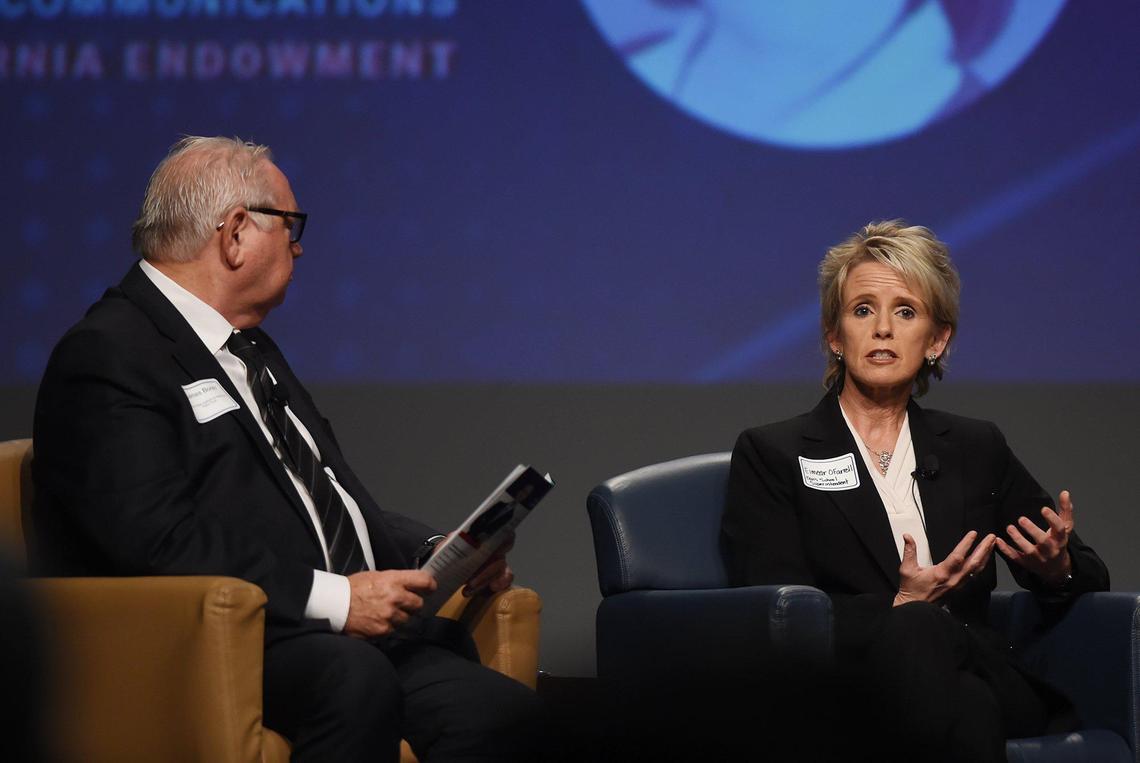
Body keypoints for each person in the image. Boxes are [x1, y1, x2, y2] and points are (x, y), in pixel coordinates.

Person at [29, 136, 543, 762]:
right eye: (290, 226)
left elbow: (326, 498)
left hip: (324, 635)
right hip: (223, 639)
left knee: (501, 715)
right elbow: (154, 541)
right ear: (236, 233)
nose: (298, 246)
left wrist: (439, 553)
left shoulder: (251, 348)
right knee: (355, 680)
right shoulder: (109, 354)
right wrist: (338, 600)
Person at [720, 220, 1108, 761]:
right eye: (861, 311)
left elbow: (1087, 570)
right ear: (835, 335)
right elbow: (776, 606)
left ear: (936, 339)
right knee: (964, 700)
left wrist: (1056, 566)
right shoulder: (775, 454)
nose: (882, 329)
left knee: (944, 655)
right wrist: (901, 605)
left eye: (905, 311)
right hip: (850, 683)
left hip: (983, 664)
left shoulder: (974, 446)